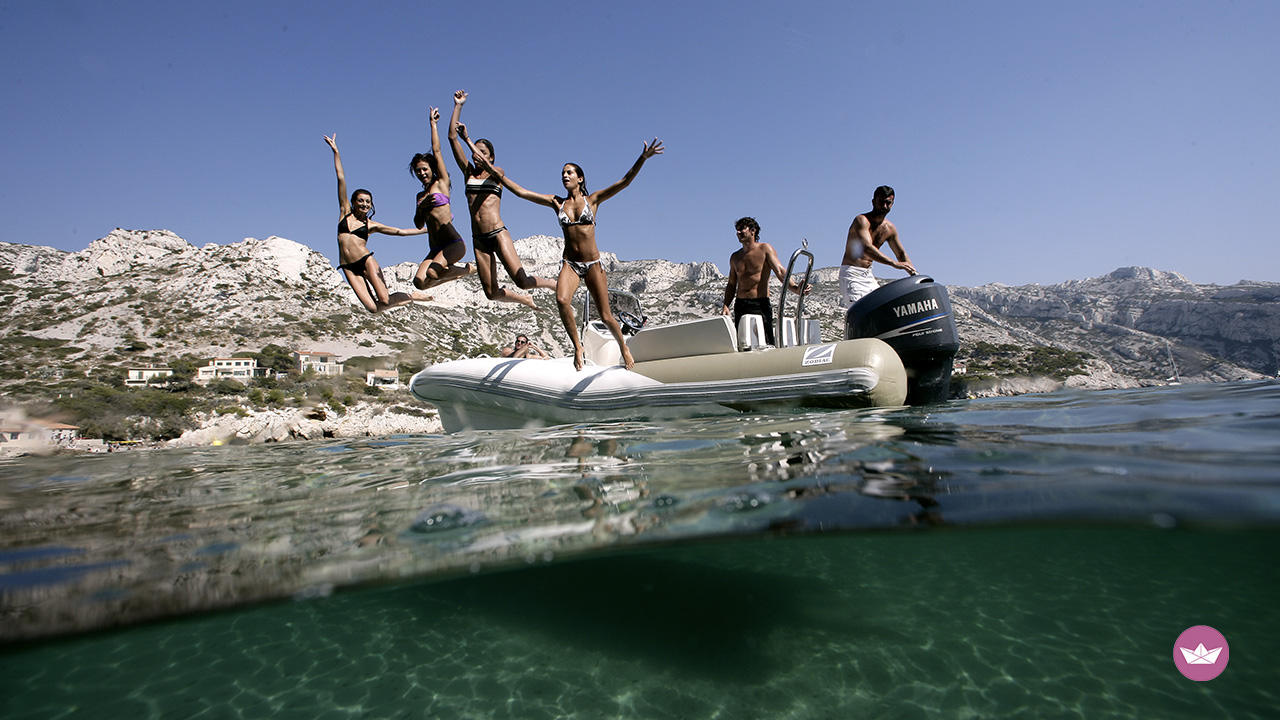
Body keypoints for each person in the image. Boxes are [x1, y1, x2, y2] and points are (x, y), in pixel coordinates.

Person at [465, 135, 664, 371]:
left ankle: (623, 347)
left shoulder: (594, 200)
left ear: (580, 178)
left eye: (569, 172)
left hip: (593, 264)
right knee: (561, 300)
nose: (565, 176)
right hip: (570, 264)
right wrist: (492, 170)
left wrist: (642, 158)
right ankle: (578, 347)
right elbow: (520, 192)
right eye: (562, 173)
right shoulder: (556, 202)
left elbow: (624, 182)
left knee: (606, 316)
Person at [449, 91, 555, 309]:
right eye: (475, 152)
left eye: (483, 152)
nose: (476, 156)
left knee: (523, 281)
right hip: (478, 239)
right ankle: (523, 299)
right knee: (490, 293)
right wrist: (458, 106)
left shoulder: (497, 172)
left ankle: (552, 283)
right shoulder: (468, 173)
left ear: (491, 157)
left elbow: (486, 165)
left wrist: (468, 139)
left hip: (497, 233)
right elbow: (451, 138)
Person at [324, 134, 433, 313]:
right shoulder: (344, 213)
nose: (365, 204)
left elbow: (400, 232)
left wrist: (427, 230)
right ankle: (406, 299)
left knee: (384, 299)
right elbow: (341, 178)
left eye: (368, 202)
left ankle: (411, 296)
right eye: (361, 201)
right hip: (348, 267)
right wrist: (336, 152)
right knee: (374, 309)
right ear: (353, 202)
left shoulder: (371, 225)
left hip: (366, 261)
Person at [410, 107, 475, 291]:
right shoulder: (420, 196)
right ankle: (455, 274)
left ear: (431, 169)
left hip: (453, 244)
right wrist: (421, 207)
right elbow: (418, 224)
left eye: (425, 169)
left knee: (431, 273)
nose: (422, 173)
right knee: (419, 283)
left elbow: (437, 151)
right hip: (435, 248)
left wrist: (433, 124)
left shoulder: (441, 184)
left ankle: (466, 270)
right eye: (418, 171)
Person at [721, 217, 809, 346]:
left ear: (753, 231)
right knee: (743, 342)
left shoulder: (765, 249)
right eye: (737, 230)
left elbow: (780, 271)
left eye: (741, 229)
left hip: (760, 304)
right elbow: (732, 284)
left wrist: (796, 288)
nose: (738, 233)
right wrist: (726, 305)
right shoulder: (735, 257)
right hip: (741, 305)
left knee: (766, 341)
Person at [839, 185, 916, 308]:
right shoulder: (862, 220)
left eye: (888, 202)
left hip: (868, 275)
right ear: (874, 201)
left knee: (883, 309)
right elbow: (866, 248)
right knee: (862, 311)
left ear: (892, 203)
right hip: (852, 273)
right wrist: (894, 263)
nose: (884, 206)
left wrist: (914, 276)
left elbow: (901, 254)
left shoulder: (889, 228)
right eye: (881, 202)